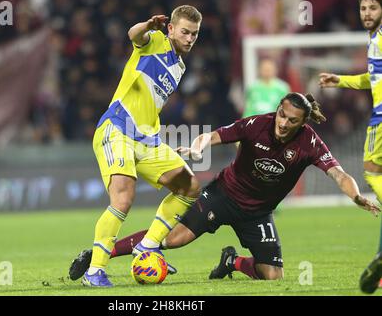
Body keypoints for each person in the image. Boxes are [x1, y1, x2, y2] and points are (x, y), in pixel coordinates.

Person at [70, 93, 381, 281]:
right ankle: (100, 254)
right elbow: (215, 135)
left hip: (258, 213)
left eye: (292, 120)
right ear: (278, 110)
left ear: (303, 122)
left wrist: (355, 195)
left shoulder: (309, 141)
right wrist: (196, 147)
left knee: (273, 275)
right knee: (172, 239)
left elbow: (339, 173)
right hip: (222, 196)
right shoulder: (256, 124)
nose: (283, 123)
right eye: (282, 115)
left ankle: (232, 262)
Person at [68, 5, 203, 287]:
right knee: (123, 198)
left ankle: (147, 246)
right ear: (171, 29)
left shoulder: (180, 67)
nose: (190, 38)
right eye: (185, 32)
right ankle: (94, 272)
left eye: (195, 34)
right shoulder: (155, 41)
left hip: (147, 138)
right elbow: (134, 35)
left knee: (189, 186)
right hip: (117, 128)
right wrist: (147, 25)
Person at [318, 0, 382, 293]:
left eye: (373, 7)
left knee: (371, 171)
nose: (367, 13)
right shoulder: (374, 39)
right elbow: (373, 78)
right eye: (363, 8)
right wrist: (341, 80)